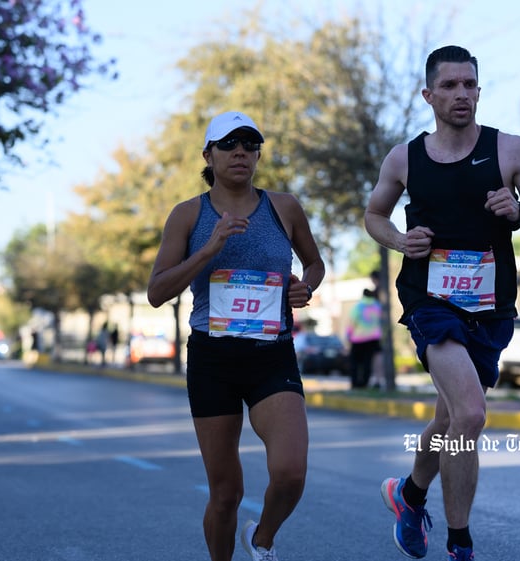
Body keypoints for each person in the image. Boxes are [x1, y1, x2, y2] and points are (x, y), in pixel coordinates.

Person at [364, 45, 520, 561]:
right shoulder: (404, 157)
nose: (462, 95)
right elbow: (375, 216)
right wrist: (401, 241)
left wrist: (517, 213)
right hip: (430, 300)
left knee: (450, 421)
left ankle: (408, 494)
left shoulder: (509, 150)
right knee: (471, 414)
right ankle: (460, 545)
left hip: (490, 308)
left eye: (469, 84)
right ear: (428, 95)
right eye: (449, 86)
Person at [147, 110, 325, 561]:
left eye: (250, 143)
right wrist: (208, 249)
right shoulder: (188, 214)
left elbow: (314, 262)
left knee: (290, 473)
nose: (241, 151)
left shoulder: (283, 206)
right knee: (226, 493)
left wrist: (305, 286)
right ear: (209, 154)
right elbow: (156, 292)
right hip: (213, 359)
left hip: (272, 353)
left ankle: (261, 541)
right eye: (229, 144)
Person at [346, 288, 383, 389]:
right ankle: (365, 383)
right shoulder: (377, 306)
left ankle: (355, 383)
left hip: (358, 338)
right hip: (373, 338)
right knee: (368, 362)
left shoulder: (358, 306)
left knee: (355, 363)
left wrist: (348, 335)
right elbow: (381, 321)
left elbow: (352, 322)